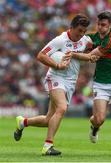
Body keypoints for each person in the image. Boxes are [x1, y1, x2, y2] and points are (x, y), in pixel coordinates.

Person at [13, 14, 93, 156]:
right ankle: (47, 146)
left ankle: (23, 122)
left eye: (84, 31)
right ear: (71, 27)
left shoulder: (85, 41)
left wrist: (82, 54)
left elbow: (89, 54)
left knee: (48, 120)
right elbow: (41, 55)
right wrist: (57, 64)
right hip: (55, 77)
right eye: (79, 30)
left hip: (70, 82)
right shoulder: (60, 40)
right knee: (61, 108)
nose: (82, 34)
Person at [72, 11, 111, 156]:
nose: (100, 27)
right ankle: (94, 127)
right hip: (101, 84)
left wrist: (71, 53)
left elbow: (91, 56)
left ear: (110, 25)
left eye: (103, 25)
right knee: (98, 119)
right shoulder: (95, 36)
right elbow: (83, 40)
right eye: (98, 24)